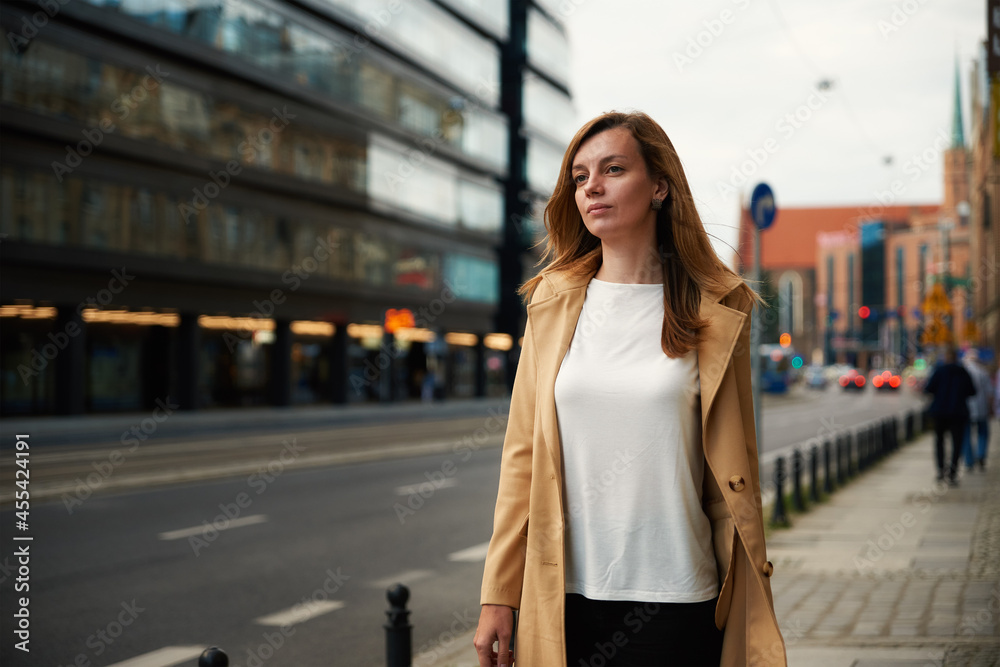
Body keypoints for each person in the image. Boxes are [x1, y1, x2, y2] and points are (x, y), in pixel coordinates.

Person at [474, 111, 785, 667]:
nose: (591, 186)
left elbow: (738, 467)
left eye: (612, 169)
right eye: (579, 176)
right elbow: (521, 455)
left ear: (659, 186)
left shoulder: (716, 309)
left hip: (677, 599)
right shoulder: (550, 304)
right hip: (564, 602)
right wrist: (499, 592)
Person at [923, 344, 976, 485]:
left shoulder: (939, 371)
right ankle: (952, 472)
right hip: (958, 412)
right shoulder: (962, 372)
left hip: (940, 412)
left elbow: (929, 389)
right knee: (956, 443)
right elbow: (972, 391)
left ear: (946, 357)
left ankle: (941, 470)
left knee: (939, 441)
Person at [961, 349, 993, 471]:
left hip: (966, 408)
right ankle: (981, 455)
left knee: (966, 435)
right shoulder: (983, 372)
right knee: (983, 433)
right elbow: (990, 392)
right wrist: (990, 408)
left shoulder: (963, 372)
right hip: (981, 408)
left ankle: (969, 461)